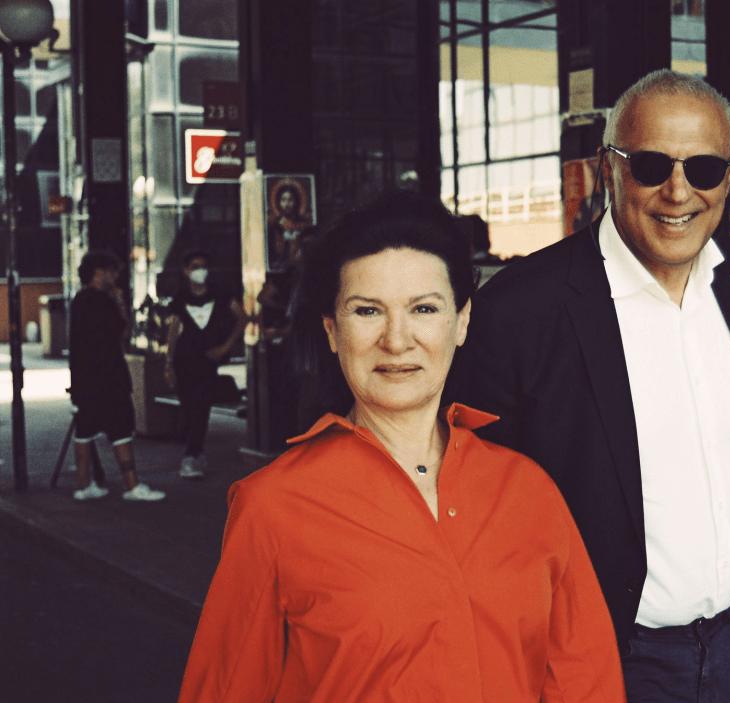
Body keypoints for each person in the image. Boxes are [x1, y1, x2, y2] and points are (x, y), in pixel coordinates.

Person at [448, 69, 730, 703]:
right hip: (593, 660)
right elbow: (479, 513)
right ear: (609, 169)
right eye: (650, 165)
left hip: (723, 647)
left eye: (704, 168)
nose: (677, 191)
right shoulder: (523, 308)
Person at [178, 191, 626, 703]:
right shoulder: (273, 507)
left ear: (461, 321)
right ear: (332, 330)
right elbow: (224, 689)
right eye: (367, 310)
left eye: (424, 309)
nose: (396, 340)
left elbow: (585, 681)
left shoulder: (527, 491)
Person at [69, 250, 165, 502]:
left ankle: (84, 485)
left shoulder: (79, 300)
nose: (115, 276)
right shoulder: (104, 302)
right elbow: (123, 333)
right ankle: (132, 485)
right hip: (109, 377)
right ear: (99, 272)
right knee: (120, 429)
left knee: (85, 431)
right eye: (112, 271)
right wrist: (120, 302)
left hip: (84, 379)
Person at [164, 250, 248, 479]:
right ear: (186, 271)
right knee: (189, 408)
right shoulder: (181, 297)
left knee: (201, 406)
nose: (200, 270)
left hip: (208, 361)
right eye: (195, 266)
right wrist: (168, 363)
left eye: (203, 266)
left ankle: (191, 455)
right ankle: (197, 452)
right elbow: (173, 331)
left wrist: (225, 346)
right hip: (184, 359)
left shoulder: (219, 293)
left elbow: (242, 317)